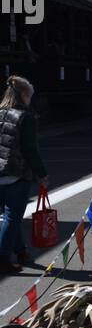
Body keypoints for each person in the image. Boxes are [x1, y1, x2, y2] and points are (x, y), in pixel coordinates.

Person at [0, 75, 47, 274]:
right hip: (16, 172)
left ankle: (21, 252)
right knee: (13, 217)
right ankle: (3, 257)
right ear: (24, 95)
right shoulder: (25, 117)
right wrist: (41, 174)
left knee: (11, 216)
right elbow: (30, 150)